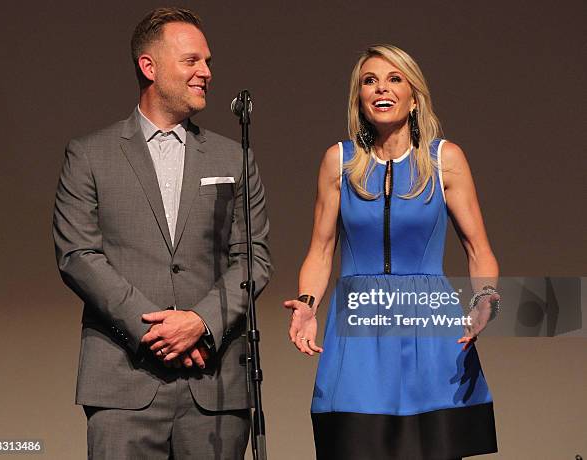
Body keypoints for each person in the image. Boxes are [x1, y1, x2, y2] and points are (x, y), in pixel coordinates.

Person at [53, 7, 271, 459]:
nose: (206, 73)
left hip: (214, 386)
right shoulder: (90, 154)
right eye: (192, 61)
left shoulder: (234, 158)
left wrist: (200, 323)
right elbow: (78, 255)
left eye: (208, 62)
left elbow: (252, 256)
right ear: (148, 67)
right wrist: (155, 329)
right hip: (123, 383)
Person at [284, 44, 499, 459]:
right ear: (360, 98)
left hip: (429, 322)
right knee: (355, 444)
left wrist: (486, 299)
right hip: (358, 325)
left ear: (414, 96)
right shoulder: (339, 162)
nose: (381, 89)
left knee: (431, 447)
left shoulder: (445, 160)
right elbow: (321, 249)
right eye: (370, 81)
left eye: (394, 79)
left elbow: (478, 248)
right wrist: (308, 304)